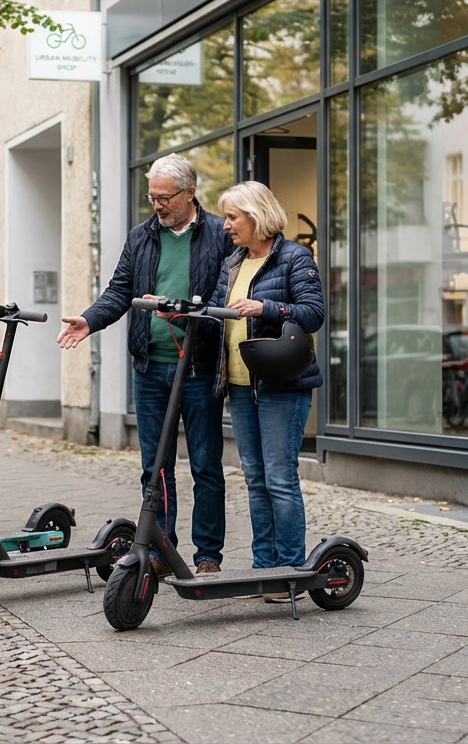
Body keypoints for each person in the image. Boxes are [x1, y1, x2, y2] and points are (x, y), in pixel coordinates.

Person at [57, 153, 235, 578]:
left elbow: (227, 294)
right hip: (149, 368)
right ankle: (161, 548)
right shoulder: (141, 237)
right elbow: (120, 290)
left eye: (164, 197)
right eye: (151, 197)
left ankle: (208, 554)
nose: (156, 205)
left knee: (206, 465)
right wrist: (90, 319)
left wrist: (191, 312)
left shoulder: (219, 234)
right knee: (155, 466)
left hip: (199, 368)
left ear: (190, 193)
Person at [207, 181, 323, 602]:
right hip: (239, 384)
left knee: (279, 478)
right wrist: (180, 311)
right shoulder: (233, 262)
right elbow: (218, 313)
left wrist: (266, 308)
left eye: (232, 217)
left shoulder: (294, 257)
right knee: (255, 479)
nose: (226, 226)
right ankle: (264, 568)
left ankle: (290, 571)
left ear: (256, 216)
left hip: (281, 386)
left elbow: (314, 314)